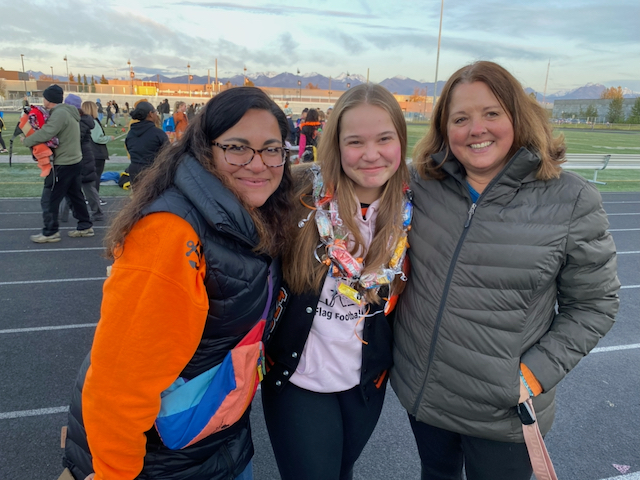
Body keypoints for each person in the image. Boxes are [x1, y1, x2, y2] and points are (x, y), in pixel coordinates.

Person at [391, 61, 620, 480]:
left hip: (503, 414)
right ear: (444, 128)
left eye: (491, 113)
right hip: (425, 395)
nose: (476, 129)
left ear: (517, 116)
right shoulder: (419, 183)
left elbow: (595, 304)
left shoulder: (571, 200)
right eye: (460, 118)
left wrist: (533, 375)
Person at [61, 86, 294, 480]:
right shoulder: (170, 234)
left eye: (272, 149)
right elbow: (119, 384)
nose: (258, 164)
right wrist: (115, 473)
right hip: (159, 463)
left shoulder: (253, 216)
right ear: (205, 150)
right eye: (237, 148)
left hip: (215, 441)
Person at [262, 83, 411, 480]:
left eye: (384, 139)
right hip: (299, 379)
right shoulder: (295, 194)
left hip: (365, 384)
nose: (371, 154)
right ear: (336, 146)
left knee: (343, 471)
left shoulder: (417, 207)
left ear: (401, 141)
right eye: (355, 142)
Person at [23, 85, 93, 242]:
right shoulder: (68, 111)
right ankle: (85, 226)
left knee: (49, 198)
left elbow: (47, 133)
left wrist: (27, 140)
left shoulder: (60, 113)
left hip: (63, 163)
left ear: (48, 99)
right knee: (75, 196)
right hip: (74, 161)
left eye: (44, 97)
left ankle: (50, 232)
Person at [59, 95, 104, 222]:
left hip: (81, 157)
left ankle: (96, 212)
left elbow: (74, 139)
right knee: (72, 186)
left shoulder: (80, 122)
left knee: (84, 186)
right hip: (80, 156)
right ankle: (62, 215)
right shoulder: (79, 120)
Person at [124, 101, 168, 184]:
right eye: (155, 111)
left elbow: (129, 148)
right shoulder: (157, 133)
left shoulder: (131, 133)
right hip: (153, 172)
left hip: (134, 171)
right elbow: (168, 154)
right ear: (150, 114)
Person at [83, 101, 115, 203]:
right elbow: (97, 138)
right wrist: (109, 138)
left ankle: (88, 197)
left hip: (87, 151)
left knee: (88, 177)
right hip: (97, 153)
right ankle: (94, 198)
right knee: (95, 177)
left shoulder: (82, 121)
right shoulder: (93, 121)